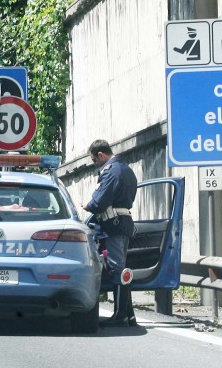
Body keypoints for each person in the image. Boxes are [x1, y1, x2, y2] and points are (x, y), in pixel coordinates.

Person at [83, 139, 138, 327]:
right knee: (120, 268)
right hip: (122, 223)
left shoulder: (111, 170)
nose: (94, 164)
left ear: (100, 154)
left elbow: (99, 201)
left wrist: (88, 205)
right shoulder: (126, 169)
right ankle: (129, 315)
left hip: (113, 225)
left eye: (94, 160)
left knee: (116, 269)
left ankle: (121, 315)